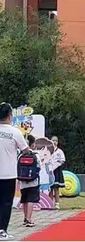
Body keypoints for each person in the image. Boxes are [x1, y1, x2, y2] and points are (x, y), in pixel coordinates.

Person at [0, 102, 28, 241]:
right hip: (8, 174)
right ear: (10, 115)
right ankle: (2, 230)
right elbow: (25, 150)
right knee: (6, 203)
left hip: (6, 174)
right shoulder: (15, 132)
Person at [19, 135, 40, 228]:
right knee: (30, 200)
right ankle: (29, 219)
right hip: (33, 181)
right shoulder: (35, 155)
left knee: (24, 200)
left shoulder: (20, 155)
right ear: (32, 144)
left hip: (22, 182)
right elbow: (39, 167)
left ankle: (24, 218)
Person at [49, 136, 66, 209]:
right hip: (49, 171)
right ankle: (50, 203)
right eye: (53, 140)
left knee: (56, 188)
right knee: (50, 188)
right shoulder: (47, 150)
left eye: (56, 140)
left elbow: (62, 160)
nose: (54, 142)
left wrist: (56, 165)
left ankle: (57, 204)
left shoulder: (60, 151)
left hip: (57, 171)